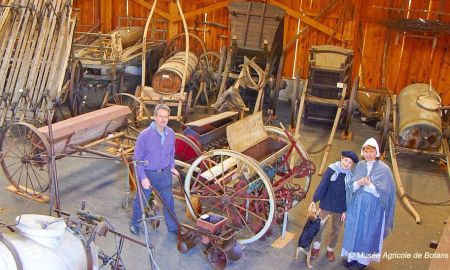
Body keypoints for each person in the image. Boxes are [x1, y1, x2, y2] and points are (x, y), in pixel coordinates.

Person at [341, 138, 396, 270]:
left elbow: (386, 193)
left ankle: (363, 261)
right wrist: (359, 183)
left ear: (376, 152)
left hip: (373, 206)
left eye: (371, 151)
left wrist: (370, 184)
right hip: (358, 204)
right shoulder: (360, 165)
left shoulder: (384, 169)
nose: (369, 154)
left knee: (367, 232)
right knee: (355, 229)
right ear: (363, 152)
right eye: (366, 151)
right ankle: (352, 257)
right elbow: (351, 187)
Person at [130, 104, 179, 235]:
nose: (163, 119)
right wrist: (143, 178)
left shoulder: (171, 133)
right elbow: (137, 159)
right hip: (149, 174)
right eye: (160, 116)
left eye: (166, 117)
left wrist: (172, 167)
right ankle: (135, 224)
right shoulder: (145, 135)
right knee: (141, 200)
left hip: (164, 174)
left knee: (169, 201)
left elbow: (171, 153)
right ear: (155, 117)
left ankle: (173, 227)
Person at [310, 151, 359, 262]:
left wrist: (345, 211)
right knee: (320, 225)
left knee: (336, 229)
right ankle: (316, 246)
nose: (347, 164)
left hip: (340, 207)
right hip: (326, 203)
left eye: (350, 162)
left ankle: (330, 248)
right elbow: (323, 185)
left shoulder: (350, 176)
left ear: (352, 165)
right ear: (341, 158)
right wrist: (315, 200)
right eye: (346, 160)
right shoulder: (331, 170)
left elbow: (349, 194)